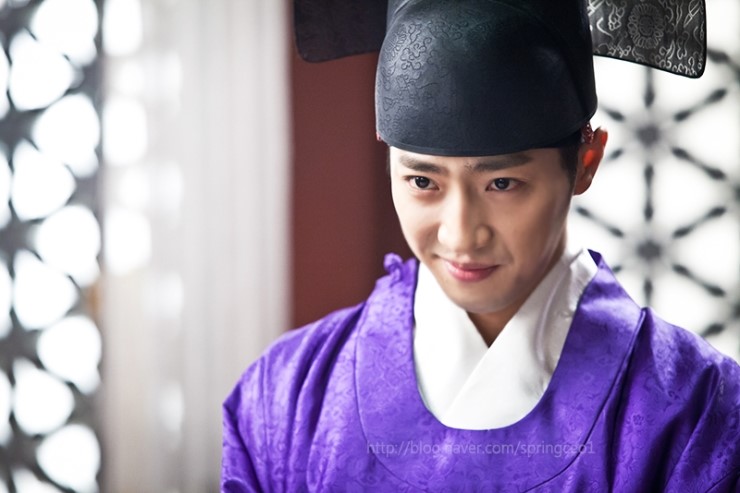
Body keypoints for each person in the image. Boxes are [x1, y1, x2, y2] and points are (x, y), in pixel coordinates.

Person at [222, 0, 740, 491]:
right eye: (423, 182)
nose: (460, 234)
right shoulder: (283, 398)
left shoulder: (697, 412)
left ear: (585, 163)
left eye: (502, 184)